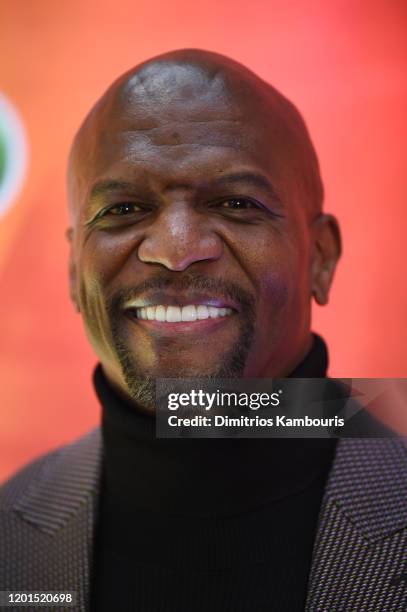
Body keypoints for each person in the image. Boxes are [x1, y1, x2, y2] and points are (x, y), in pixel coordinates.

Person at [1, 49, 406, 612]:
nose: (175, 250)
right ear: (74, 271)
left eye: (235, 203)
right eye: (123, 210)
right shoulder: (9, 532)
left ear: (321, 258)